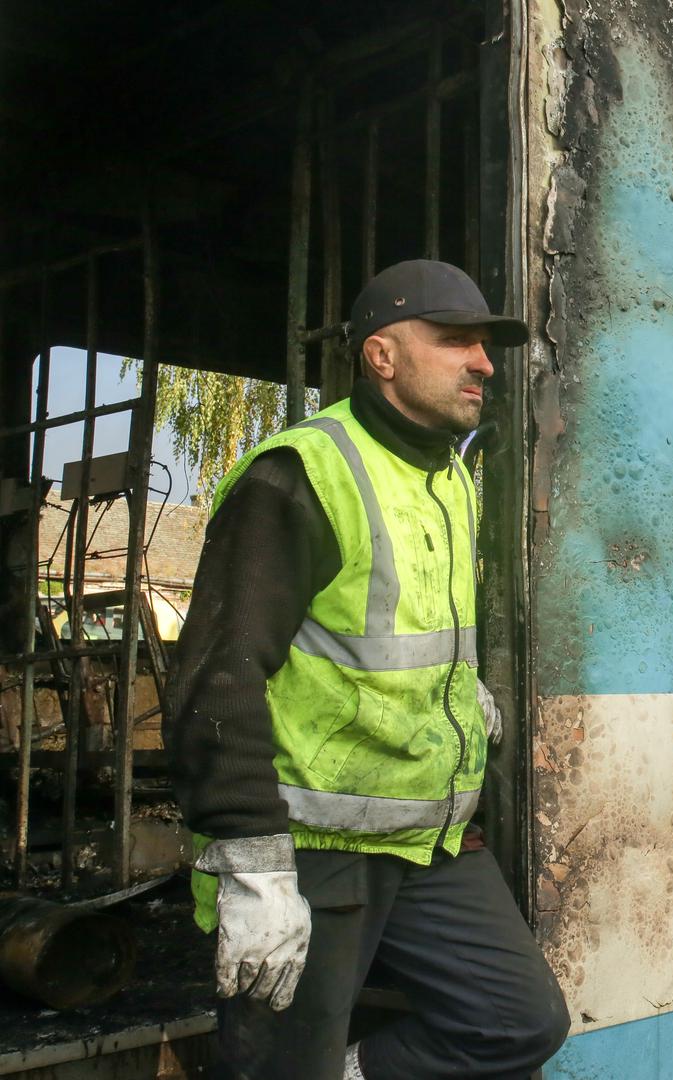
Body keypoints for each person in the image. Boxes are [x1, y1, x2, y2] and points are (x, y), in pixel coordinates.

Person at [165, 260, 569, 1079]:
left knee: (518, 1023)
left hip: (429, 841)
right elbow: (218, 676)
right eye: (455, 340)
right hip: (313, 848)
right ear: (381, 356)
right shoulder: (302, 473)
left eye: (485, 346)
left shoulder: (447, 476)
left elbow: (384, 631)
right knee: (284, 1068)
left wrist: (458, 693)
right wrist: (255, 866)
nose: (483, 363)